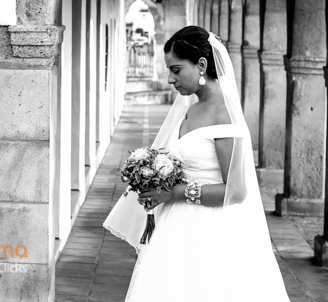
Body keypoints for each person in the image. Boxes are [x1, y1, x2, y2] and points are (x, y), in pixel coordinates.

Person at [103, 26, 289, 301]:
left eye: (176, 70)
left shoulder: (224, 115)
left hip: (212, 231)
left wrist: (175, 192)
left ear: (201, 65)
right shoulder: (191, 108)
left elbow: (236, 191)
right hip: (176, 227)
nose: (169, 79)